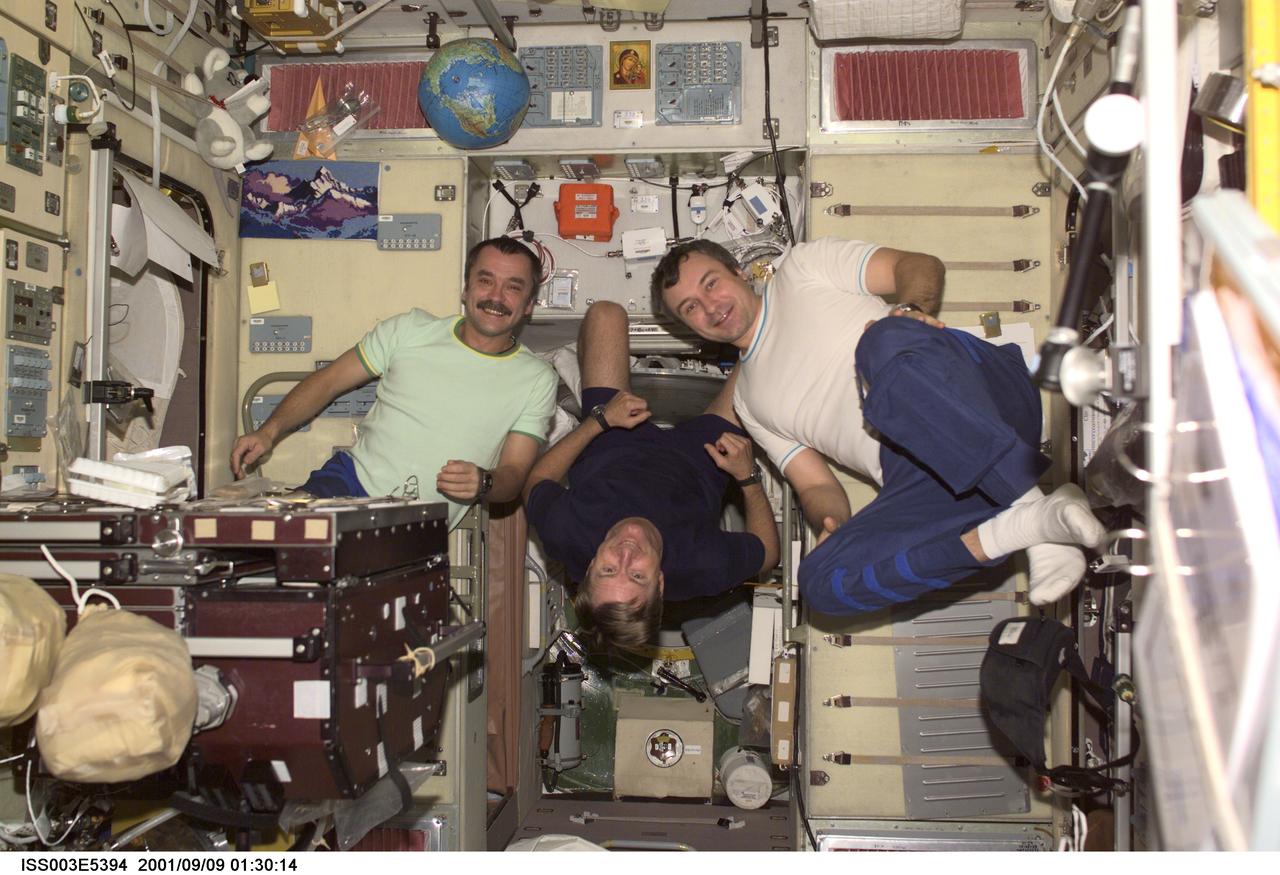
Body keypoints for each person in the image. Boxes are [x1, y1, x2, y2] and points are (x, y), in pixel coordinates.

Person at [652, 237, 1107, 615]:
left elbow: (920, 265)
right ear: (688, 327)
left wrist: (910, 310)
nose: (710, 307)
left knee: (880, 342)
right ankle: (1028, 527)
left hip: (980, 395)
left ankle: (1028, 500)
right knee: (817, 583)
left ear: (738, 270)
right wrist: (828, 520)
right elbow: (813, 485)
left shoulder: (801, 269)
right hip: (938, 484)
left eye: (711, 284)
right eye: (690, 308)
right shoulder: (749, 403)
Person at [230, 237, 558, 528]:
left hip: (420, 522)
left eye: (513, 287)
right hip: (349, 481)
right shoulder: (410, 330)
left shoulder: (536, 379)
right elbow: (328, 381)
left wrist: (484, 482)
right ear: (466, 288)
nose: (496, 296)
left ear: (528, 305)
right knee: (287, 534)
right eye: (485, 281)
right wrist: (268, 431)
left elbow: (514, 474)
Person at [523, 301, 780, 649]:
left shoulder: (566, 532)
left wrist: (597, 421)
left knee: (606, 314)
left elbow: (537, 482)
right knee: (765, 340)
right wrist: (748, 477)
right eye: (638, 575)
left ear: (590, 568)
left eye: (609, 570)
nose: (626, 555)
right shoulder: (700, 567)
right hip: (700, 462)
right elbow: (767, 553)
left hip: (614, 442)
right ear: (659, 583)